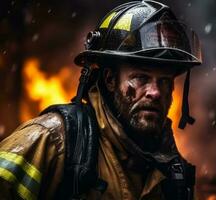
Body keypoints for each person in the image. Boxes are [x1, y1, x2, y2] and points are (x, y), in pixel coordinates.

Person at [0, 1, 202, 199]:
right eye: (141, 77)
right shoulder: (53, 140)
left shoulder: (173, 173)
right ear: (110, 79)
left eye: (165, 81)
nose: (155, 92)